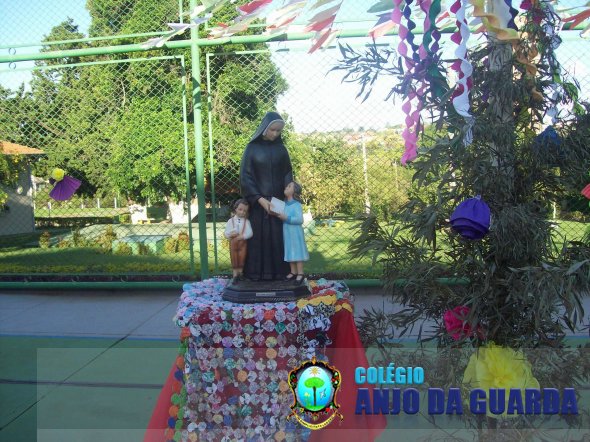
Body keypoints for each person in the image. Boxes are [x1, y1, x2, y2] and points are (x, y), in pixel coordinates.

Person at [240, 112, 293, 281]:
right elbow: (246, 176)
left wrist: (289, 195)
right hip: (258, 205)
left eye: (278, 131)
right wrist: (260, 200)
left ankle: (280, 274)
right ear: (264, 128)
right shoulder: (252, 148)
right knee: (257, 240)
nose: (275, 134)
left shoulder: (281, 149)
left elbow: (287, 173)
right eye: (272, 130)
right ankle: (256, 274)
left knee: (278, 238)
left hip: (278, 202)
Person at [274, 181, 309, 285]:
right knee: (290, 251)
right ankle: (293, 272)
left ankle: (300, 273)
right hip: (287, 232)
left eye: (289, 186)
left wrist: (286, 218)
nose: (286, 187)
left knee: (297, 251)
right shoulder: (284, 204)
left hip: (295, 233)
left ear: (294, 191)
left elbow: (299, 219)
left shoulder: (297, 204)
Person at [224, 199, 253, 282]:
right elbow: (226, 233)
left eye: (244, 211)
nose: (242, 212)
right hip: (233, 244)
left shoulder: (246, 222)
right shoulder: (231, 221)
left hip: (242, 244)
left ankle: (240, 274)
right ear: (235, 208)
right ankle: (235, 275)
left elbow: (250, 233)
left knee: (241, 259)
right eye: (240, 209)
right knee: (234, 259)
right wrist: (230, 234)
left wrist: (243, 236)